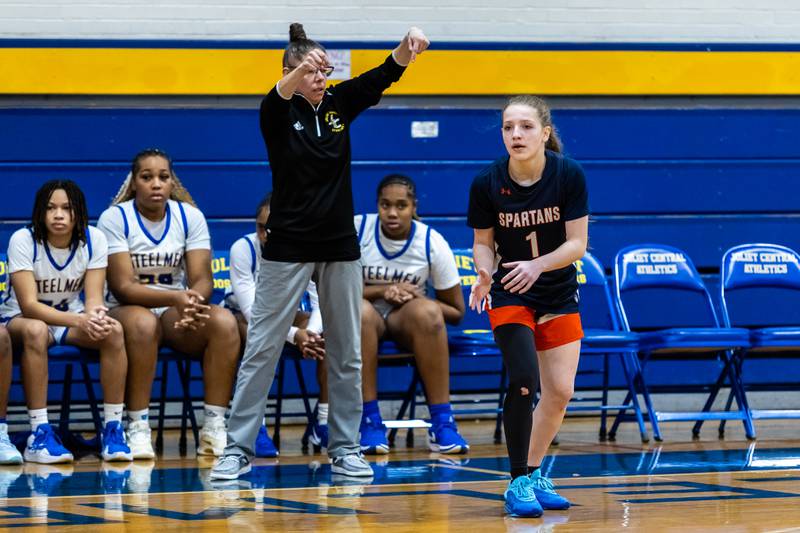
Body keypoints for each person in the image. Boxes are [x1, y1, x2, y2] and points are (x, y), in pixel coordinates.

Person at [210, 23, 430, 481]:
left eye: (323, 69)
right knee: (263, 348)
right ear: (291, 70)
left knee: (347, 350)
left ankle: (346, 447)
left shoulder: (337, 105)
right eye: (311, 69)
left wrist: (407, 47)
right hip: (288, 246)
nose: (320, 76)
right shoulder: (277, 112)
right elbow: (275, 95)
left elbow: (384, 74)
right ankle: (237, 449)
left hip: (339, 246)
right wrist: (298, 71)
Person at [467, 96, 589, 517]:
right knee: (524, 378)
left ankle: (535, 473)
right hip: (511, 292)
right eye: (507, 127)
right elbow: (483, 244)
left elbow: (577, 244)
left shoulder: (568, 175)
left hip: (556, 291)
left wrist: (538, 266)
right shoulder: (487, 182)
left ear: (545, 132)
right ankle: (517, 480)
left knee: (560, 392)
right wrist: (484, 273)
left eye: (525, 127)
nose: (515, 135)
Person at [98, 149, 240, 460]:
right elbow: (123, 287)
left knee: (224, 323)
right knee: (142, 323)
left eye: (163, 177)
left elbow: (203, 279)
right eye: (146, 177)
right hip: (125, 310)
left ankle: (215, 425)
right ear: (134, 182)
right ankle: (137, 425)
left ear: (172, 181)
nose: (156, 184)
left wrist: (192, 303)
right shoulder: (115, 217)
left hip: (174, 307)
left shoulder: (189, 216)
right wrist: (176, 297)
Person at [0, 180, 131, 463]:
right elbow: (29, 305)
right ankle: (39, 433)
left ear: (79, 212)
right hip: (21, 319)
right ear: (39, 212)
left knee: (114, 330)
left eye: (66, 208)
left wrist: (96, 318)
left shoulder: (94, 238)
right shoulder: (23, 240)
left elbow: (94, 298)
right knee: (36, 330)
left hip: (70, 318)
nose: (58, 215)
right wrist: (79, 320)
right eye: (50, 208)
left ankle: (113, 430)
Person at [354, 174, 468, 455]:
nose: (392, 213)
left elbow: (455, 312)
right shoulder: (357, 229)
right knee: (359, 313)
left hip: (405, 321)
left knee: (428, 312)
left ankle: (442, 422)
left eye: (401, 205)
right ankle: (369, 420)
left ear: (414, 207)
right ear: (377, 205)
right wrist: (384, 290)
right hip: (365, 318)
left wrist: (418, 297)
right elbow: (335, 293)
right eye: (385, 205)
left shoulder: (431, 241)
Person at [225, 192, 327, 458]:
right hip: (246, 320)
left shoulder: (307, 249)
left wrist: (311, 335)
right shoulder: (243, 249)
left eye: (274, 228)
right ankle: (252, 424)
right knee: (252, 333)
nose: (267, 234)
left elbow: (321, 304)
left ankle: (325, 421)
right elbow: (252, 314)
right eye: (261, 227)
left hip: (289, 318)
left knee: (334, 332)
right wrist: (297, 337)